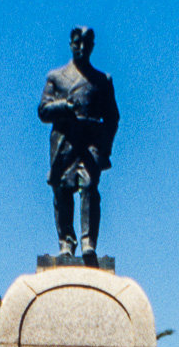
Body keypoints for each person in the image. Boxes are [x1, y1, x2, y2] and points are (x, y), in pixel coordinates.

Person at [38, 26, 120, 262]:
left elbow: (113, 117)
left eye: (86, 44)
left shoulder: (102, 80)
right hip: (65, 143)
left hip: (91, 143)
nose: (81, 48)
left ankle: (88, 242)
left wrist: (105, 147)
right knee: (63, 190)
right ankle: (66, 242)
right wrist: (64, 107)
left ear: (93, 46)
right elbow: (43, 110)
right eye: (77, 43)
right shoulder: (56, 77)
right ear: (70, 44)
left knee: (89, 186)